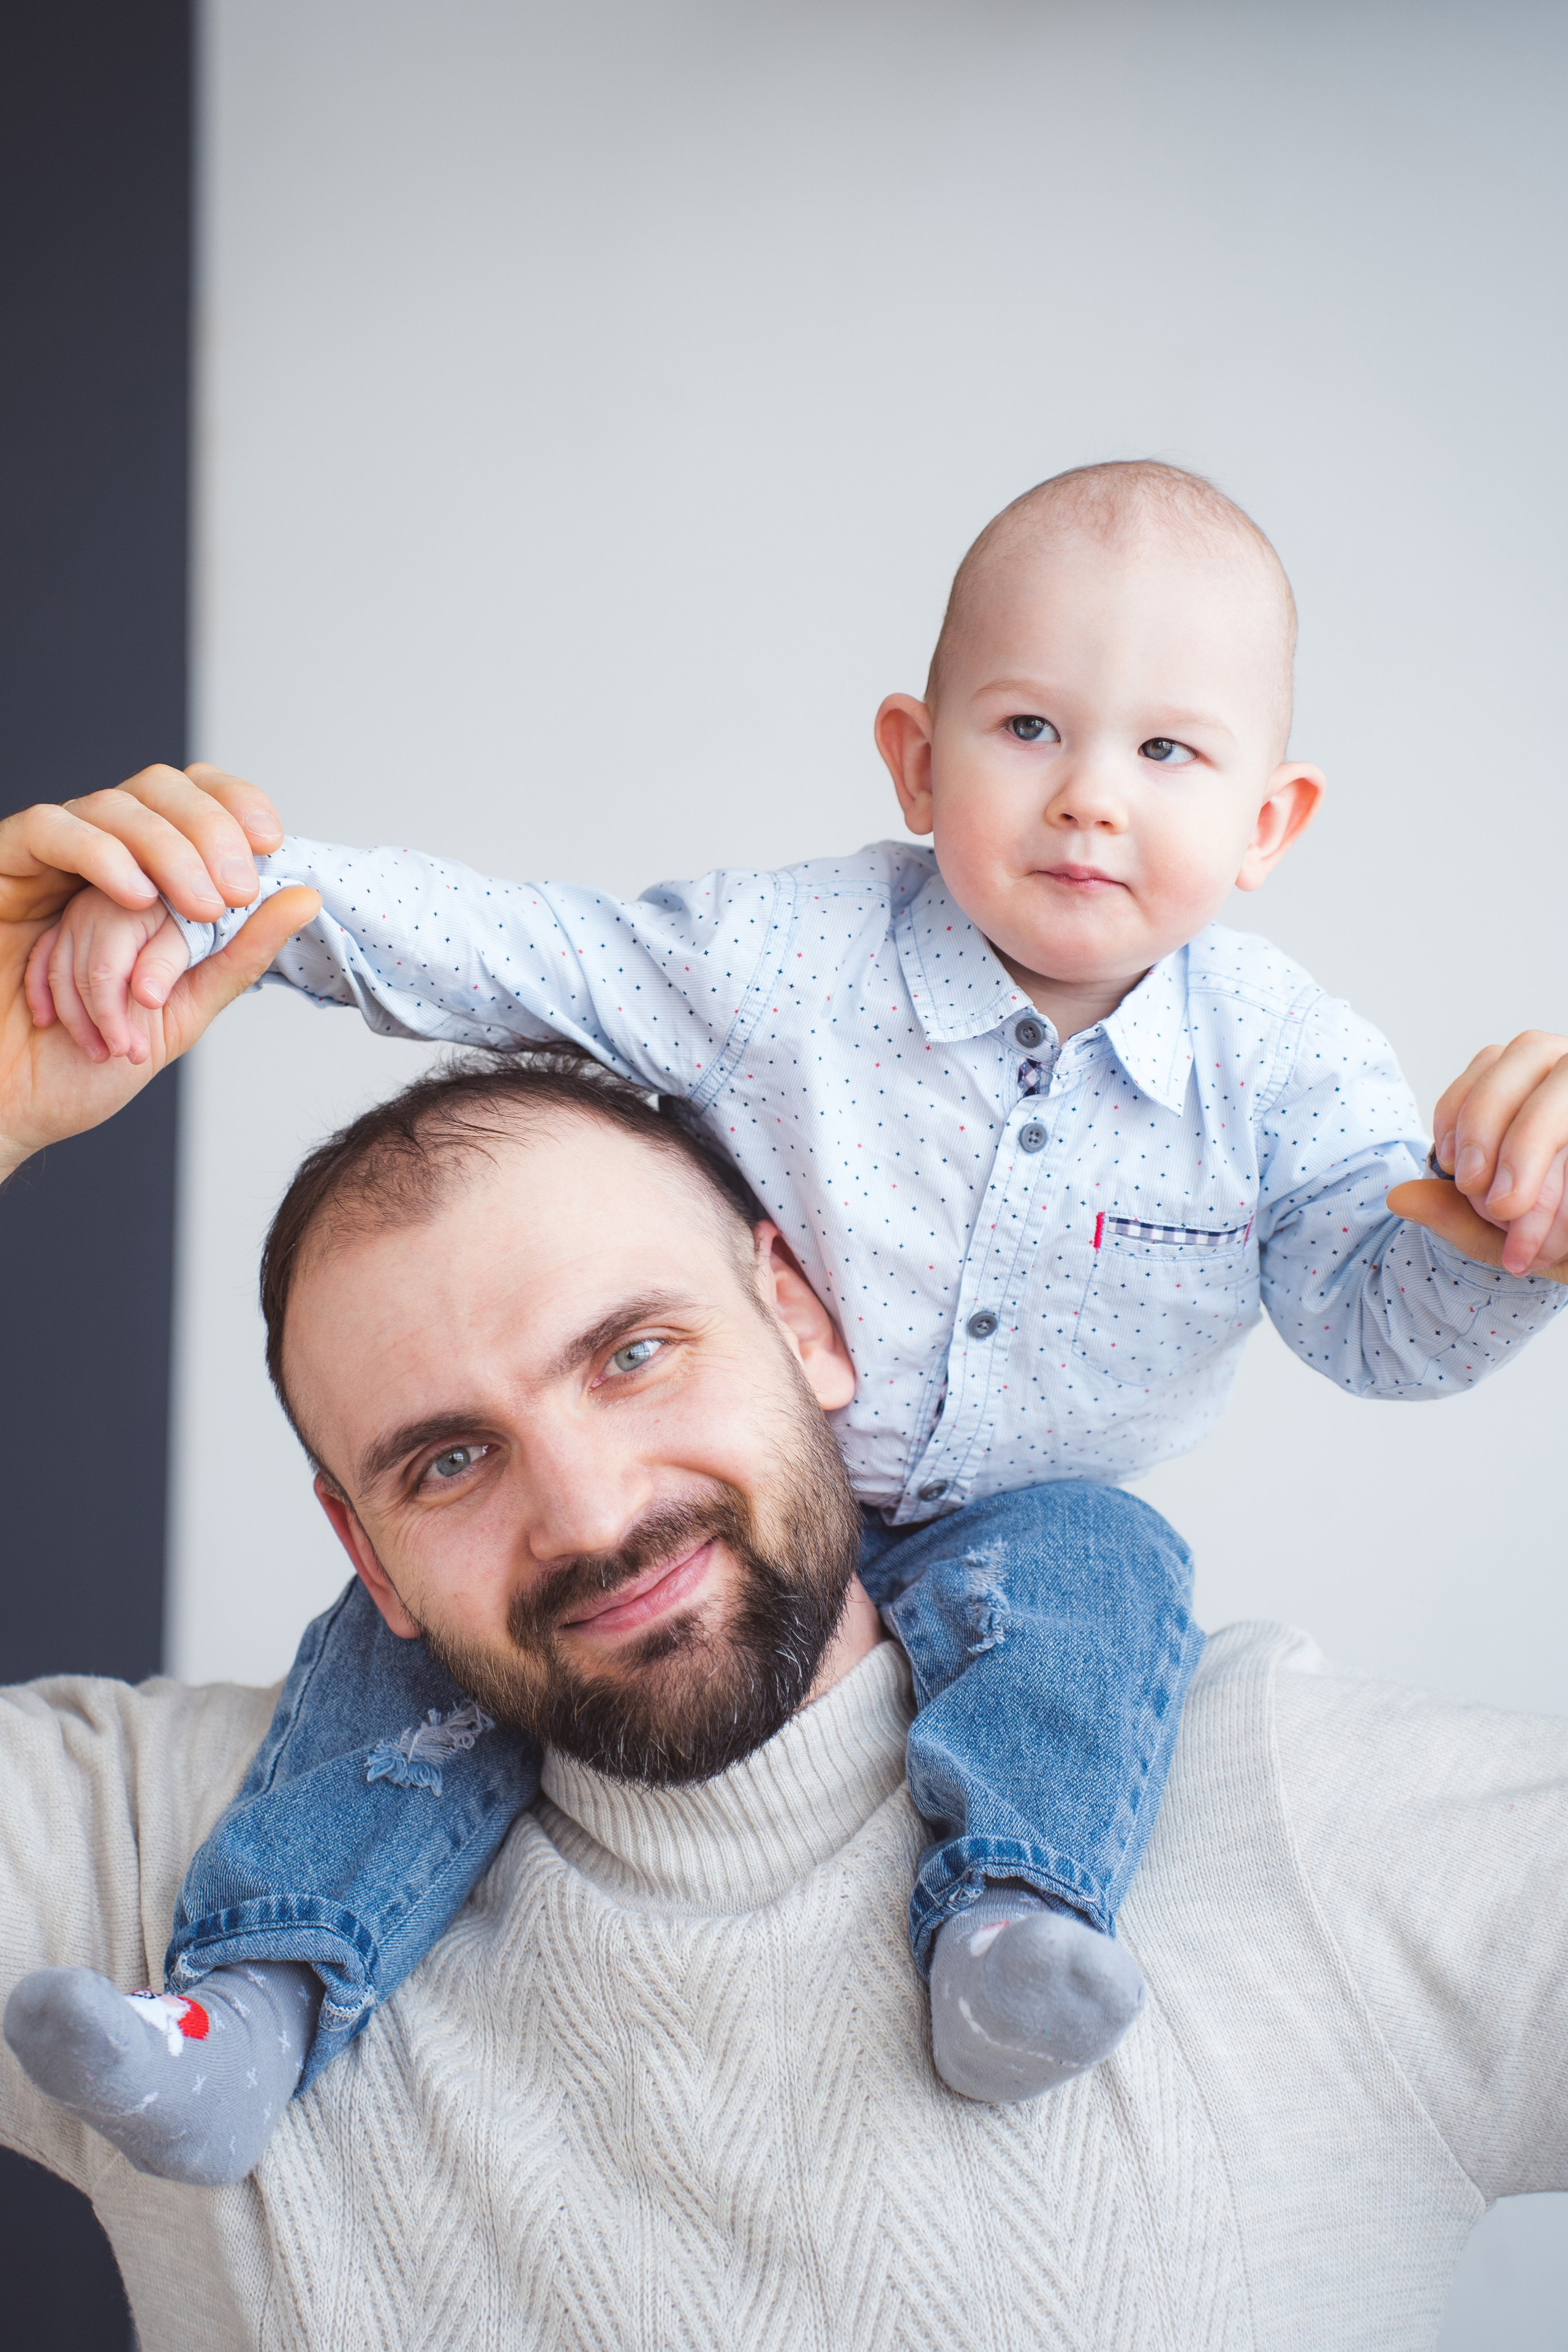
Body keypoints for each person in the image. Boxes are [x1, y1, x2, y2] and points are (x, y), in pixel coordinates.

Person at [17, 462, 1568, 2191]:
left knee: (1101, 1575)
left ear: (1272, 824)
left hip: (1025, 1516)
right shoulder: (789, 964)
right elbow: (526, 955)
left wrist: (1521, 1239)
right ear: (916, 760)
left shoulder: (1284, 1073)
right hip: (771, 1491)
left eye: (1169, 755)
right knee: (390, 1667)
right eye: (1031, 728)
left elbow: (1375, 1314)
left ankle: (1012, 1930)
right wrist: (234, 894)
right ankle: (253, 1998)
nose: (1090, 806)